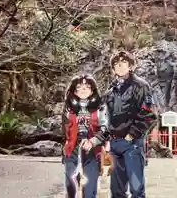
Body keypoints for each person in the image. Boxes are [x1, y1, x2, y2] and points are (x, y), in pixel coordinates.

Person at [81, 51, 157, 198]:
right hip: (115, 144)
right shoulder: (111, 91)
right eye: (116, 63)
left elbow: (149, 113)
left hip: (132, 143)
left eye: (123, 62)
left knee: (137, 189)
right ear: (113, 68)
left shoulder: (141, 86)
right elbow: (105, 120)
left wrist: (132, 134)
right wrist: (97, 139)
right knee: (116, 189)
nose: (119, 65)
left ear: (130, 66)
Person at [62, 74, 105, 198]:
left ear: (92, 90)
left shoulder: (100, 108)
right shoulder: (68, 108)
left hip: (93, 148)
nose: (83, 89)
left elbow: (106, 129)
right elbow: (63, 131)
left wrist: (93, 141)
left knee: (90, 185)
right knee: (70, 182)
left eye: (87, 86)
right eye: (79, 87)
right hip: (72, 147)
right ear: (74, 91)